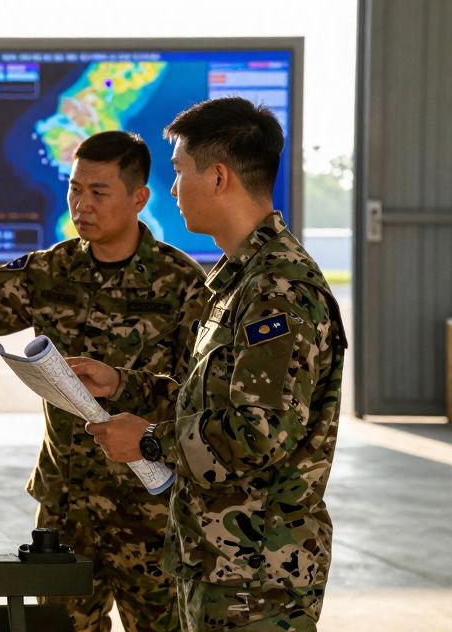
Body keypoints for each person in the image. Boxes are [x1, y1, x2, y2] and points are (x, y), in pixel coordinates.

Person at [76, 98, 346, 631]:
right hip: (217, 564)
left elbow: (259, 433)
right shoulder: (239, 279)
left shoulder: (280, 290)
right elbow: (210, 399)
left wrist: (149, 440)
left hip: (259, 580)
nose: (174, 190)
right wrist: (123, 385)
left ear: (218, 177)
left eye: (179, 172)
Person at [0, 131, 207, 631]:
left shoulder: (181, 284)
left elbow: (195, 397)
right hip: (67, 510)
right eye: (74, 189)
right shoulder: (50, 271)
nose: (81, 204)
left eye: (98, 192)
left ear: (138, 198)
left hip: (150, 512)